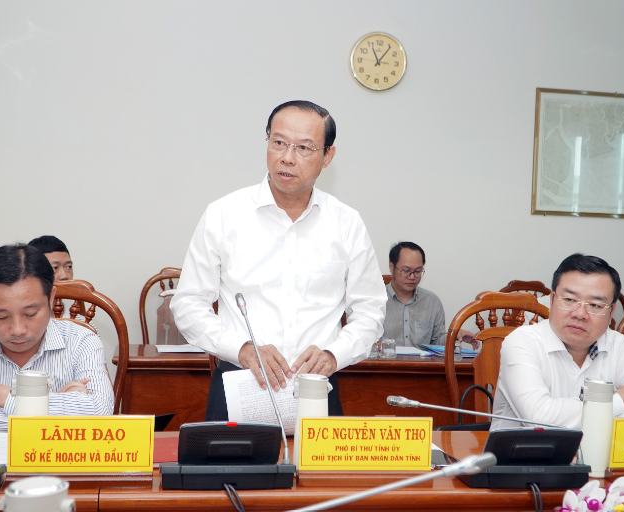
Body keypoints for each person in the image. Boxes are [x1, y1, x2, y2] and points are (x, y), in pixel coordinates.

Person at [170, 100, 386, 420]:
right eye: (279, 142)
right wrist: (242, 349)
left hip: (316, 390)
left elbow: (370, 310)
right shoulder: (224, 215)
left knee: (318, 458)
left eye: (304, 147)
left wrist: (333, 354)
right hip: (239, 385)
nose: (287, 157)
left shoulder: (346, 223)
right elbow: (188, 304)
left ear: (328, 156)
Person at [0, 244, 114, 431]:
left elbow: (100, 411)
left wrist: (6, 398)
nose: (17, 330)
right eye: (1, 316)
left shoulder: (81, 340)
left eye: (30, 314)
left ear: (51, 298)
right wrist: (52, 409)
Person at [491, 254, 624, 430]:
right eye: (570, 300)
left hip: (600, 449)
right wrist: (619, 401)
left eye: (595, 305)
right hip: (526, 448)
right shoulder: (522, 342)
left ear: (611, 312)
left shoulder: (620, 345)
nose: (580, 314)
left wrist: (586, 416)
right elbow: (539, 419)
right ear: (551, 300)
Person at [383, 241, 477, 349]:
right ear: (391, 267)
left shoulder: (432, 301)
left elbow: (436, 342)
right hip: (385, 359)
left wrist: (454, 335)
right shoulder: (375, 301)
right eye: (406, 270)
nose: (412, 277)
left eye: (417, 271)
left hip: (422, 360)